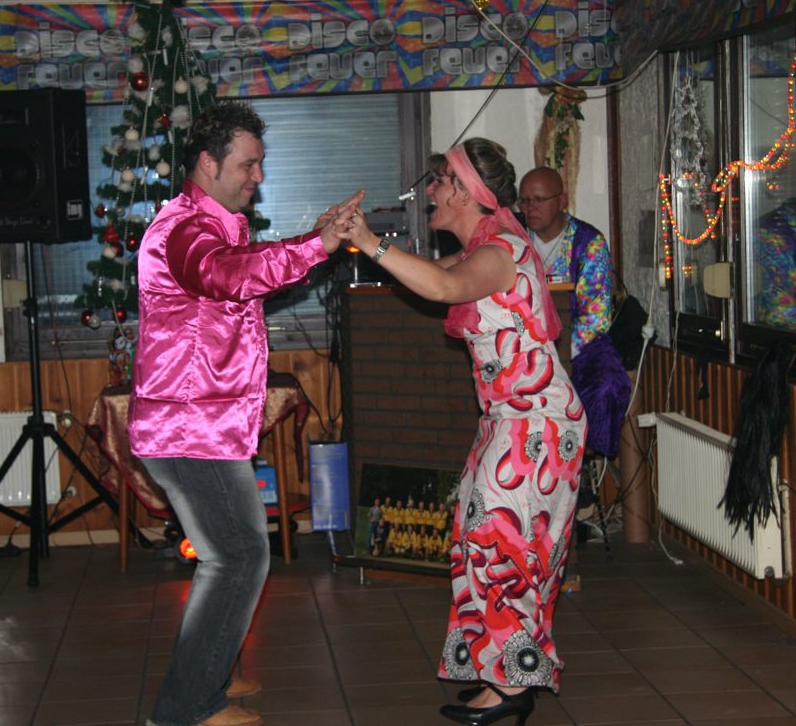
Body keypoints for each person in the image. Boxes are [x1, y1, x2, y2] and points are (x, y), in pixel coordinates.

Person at [129, 100, 363, 726]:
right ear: (208, 164)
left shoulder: (212, 225)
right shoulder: (184, 231)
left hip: (202, 426)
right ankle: (186, 709)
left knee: (231, 555)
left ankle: (208, 678)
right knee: (237, 558)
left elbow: (243, 277)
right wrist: (315, 244)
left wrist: (313, 241)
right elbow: (226, 276)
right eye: (248, 164)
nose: (258, 176)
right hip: (188, 429)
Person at [340, 138, 586, 726]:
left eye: (439, 181)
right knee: (479, 541)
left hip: (536, 423)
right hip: (509, 419)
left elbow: (445, 289)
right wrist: (350, 238)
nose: (429, 191)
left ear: (469, 193)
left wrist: (370, 241)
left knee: (500, 547)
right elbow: (428, 276)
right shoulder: (483, 246)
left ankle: (511, 686)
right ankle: (503, 673)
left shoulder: (500, 250)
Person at [518, 166, 629, 462]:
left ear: (562, 201)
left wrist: (558, 352)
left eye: (539, 199)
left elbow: (596, 317)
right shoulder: (515, 241)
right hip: (524, 343)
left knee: (606, 385)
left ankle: (583, 457)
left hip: (579, 345)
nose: (530, 208)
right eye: (524, 200)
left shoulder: (588, 242)